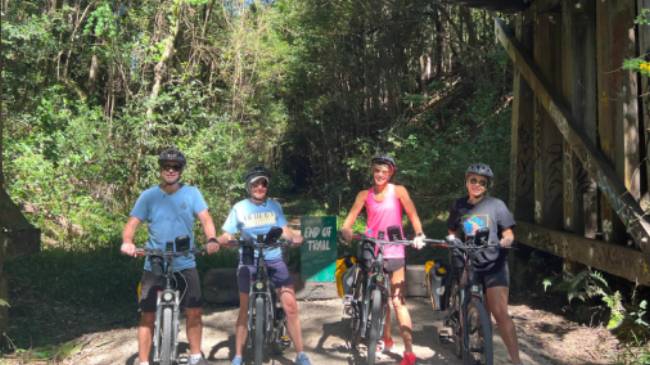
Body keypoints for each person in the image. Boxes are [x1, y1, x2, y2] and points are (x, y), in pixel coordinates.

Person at [120, 147, 220, 365]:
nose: (171, 170)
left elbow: (206, 220)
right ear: (161, 170)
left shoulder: (192, 193)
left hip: (185, 260)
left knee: (194, 311)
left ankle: (195, 356)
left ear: (181, 170)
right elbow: (132, 225)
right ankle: (144, 361)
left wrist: (211, 239)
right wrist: (128, 242)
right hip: (154, 261)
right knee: (147, 315)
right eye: (167, 167)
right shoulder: (149, 196)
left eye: (175, 167)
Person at [216, 166, 312, 365]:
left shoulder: (275, 206)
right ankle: (239, 356)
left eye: (263, 184)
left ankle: (301, 353)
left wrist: (295, 237)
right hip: (249, 257)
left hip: (273, 256)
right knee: (244, 308)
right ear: (248, 186)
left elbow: (285, 230)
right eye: (255, 183)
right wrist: (220, 240)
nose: (260, 187)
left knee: (291, 306)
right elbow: (228, 233)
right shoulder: (239, 207)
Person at [340, 155, 427, 365]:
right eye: (377, 170)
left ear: (391, 173)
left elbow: (412, 214)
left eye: (384, 171)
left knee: (397, 301)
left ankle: (408, 352)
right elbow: (350, 218)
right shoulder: (364, 195)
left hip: (395, 248)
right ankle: (381, 336)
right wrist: (347, 229)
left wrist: (419, 234)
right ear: (373, 172)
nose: (380, 175)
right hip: (372, 246)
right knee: (376, 293)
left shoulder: (398, 191)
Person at [446, 163, 522, 365]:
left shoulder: (496, 205)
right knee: (470, 304)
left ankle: (516, 360)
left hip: (494, 263)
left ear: (486, 186)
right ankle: (469, 334)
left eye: (482, 182)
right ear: (466, 182)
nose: (477, 185)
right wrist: (451, 241)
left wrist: (506, 241)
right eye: (473, 181)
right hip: (470, 262)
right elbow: (452, 232)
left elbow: (508, 233)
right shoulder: (459, 205)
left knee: (500, 313)